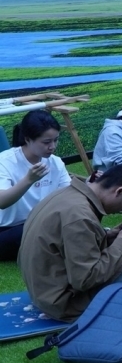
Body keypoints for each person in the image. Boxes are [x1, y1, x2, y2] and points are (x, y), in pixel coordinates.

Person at [18, 163, 122, 321]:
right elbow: (84, 280)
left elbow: (67, 245)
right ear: (120, 191)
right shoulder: (80, 216)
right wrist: (121, 243)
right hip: (67, 300)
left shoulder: (67, 194)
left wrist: (106, 236)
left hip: (49, 286)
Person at [0, 111, 71, 261]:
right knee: (34, 233)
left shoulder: (55, 162)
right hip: (8, 230)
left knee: (71, 221)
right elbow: (2, 201)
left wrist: (89, 185)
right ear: (27, 139)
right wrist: (28, 180)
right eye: (46, 142)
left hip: (40, 223)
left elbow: (69, 196)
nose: (52, 146)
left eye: (56, 140)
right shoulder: (5, 161)